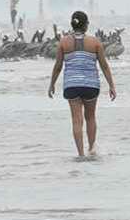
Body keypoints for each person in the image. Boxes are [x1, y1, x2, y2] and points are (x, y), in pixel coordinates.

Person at [47, 10, 116, 157]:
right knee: (90, 117)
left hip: (71, 85)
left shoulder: (64, 42)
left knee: (76, 120)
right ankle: (92, 148)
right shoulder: (95, 42)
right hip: (91, 85)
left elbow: (58, 66)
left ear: (72, 24)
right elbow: (104, 66)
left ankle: (80, 154)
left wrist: (52, 84)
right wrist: (111, 85)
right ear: (86, 25)